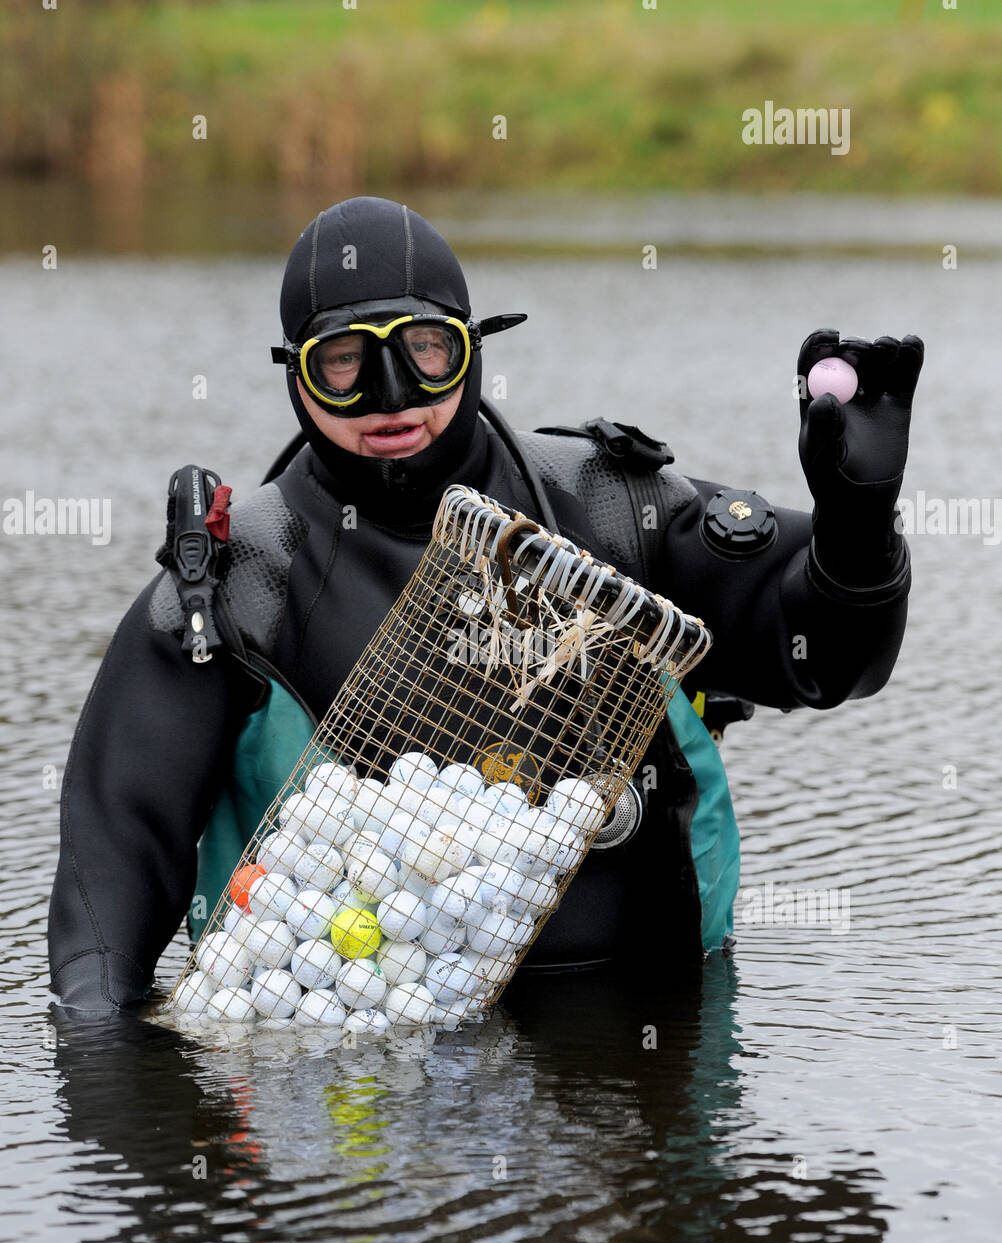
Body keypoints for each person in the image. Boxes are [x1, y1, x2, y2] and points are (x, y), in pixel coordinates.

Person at [47, 196, 923, 1015]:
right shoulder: (240, 583)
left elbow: (827, 664)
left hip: (652, 1036)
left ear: (473, 348)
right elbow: (110, 879)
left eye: (425, 350)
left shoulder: (612, 508)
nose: (392, 396)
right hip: (354, 1068)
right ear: (296, 377)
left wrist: (857, 529)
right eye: (344, 362)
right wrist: (114, 1081)